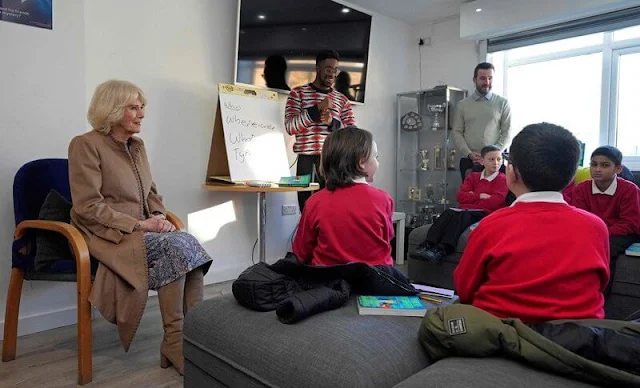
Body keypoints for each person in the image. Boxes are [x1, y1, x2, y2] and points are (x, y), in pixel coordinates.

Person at [68, 80, 213, 375]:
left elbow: (151, 193)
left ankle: (190, 341)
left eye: (142, 106)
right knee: (180, 246)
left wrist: (158, 218)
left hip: (144, 232)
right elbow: (87, 206)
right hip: (109, 235)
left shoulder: (137, 146)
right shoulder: (85, 145)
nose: (141, 113)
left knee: (188, 245)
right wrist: (138, 224)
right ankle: (175, 343)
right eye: (134, 107)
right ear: (113, 110)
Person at [454, 123, 609, 323]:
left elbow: (465, 288)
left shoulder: (491, 225)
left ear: (510, 173)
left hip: (502, 333)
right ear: (571, 176)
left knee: (441, 318)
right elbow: (599, 283)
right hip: (578, 338)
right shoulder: (596, 226)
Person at [292, 126, 393, 267]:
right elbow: (385, 241)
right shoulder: (384, 200)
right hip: (374, 281)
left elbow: (301, 252)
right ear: (362, 162)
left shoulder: (314, 202)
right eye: (376, 157)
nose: (377, 162)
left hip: (327, 282)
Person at [285, 50, 357, 211]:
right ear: (318, 68)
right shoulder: (297, 94)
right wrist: (316, 110)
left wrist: (333, 122)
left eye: (335, 70)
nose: (332, 74)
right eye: (328, 69)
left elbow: (353, 133)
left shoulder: (342, 99)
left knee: (330, 209)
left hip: (332, 160)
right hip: (305, 160)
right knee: (306, 209)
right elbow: (290, 127)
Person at [410, 145, 508, 262]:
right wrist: (481, 196)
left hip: (484, 213)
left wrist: (471, 196)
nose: (496, 163)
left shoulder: (502, 179)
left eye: (499, 159)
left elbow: (495, 202)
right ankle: (427, 244)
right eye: (491, 159)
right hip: (464, 209)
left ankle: (442, 249)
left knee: (463, 215)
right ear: (482, 161)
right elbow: (460, 197)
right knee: (448, 212)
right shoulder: (473, 176)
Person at [571, 146, 640, 296]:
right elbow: (580, 218)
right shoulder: (581, 189)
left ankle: (600, 294)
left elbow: (631, 223)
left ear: (618, 169)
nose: (597, 169)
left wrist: (603, 232)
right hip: (592, 231)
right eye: (594, 164)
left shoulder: (629, 190)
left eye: (605, 165)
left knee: (606, 247)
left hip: (621, 233)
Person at [452, 62, 512, 180]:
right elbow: (457, 132)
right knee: (470, 197)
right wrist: (469, 153)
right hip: (470, 161)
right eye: (483, 78)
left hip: (495, 162)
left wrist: (491, 155)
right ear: (474, 80)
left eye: (490, 78)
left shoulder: (503, 103)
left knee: (497, 197)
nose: (487, 82)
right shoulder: (462, 105)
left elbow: (507, 132)